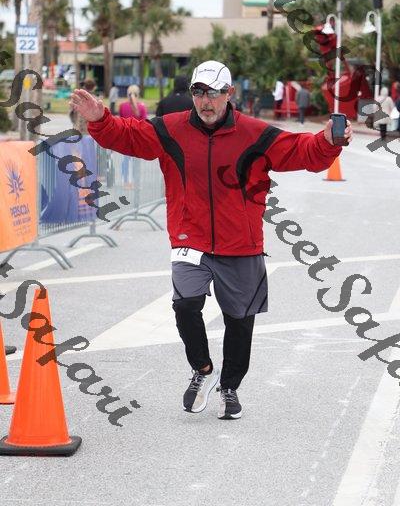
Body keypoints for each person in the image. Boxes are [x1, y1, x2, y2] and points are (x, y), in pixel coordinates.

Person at [70, 59, 353, 421]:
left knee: (240, 320)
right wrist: (100, 120)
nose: (205, 101)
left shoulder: (254, 133)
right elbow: (128, 135)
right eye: (198, 92)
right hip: (190, 237)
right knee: (185, 305)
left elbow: (302, 151)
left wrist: (328, 142)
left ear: (229, 93)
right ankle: (202, 370)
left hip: (242, 244)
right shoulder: (170, 129)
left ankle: (229, 387)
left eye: (214, 93)